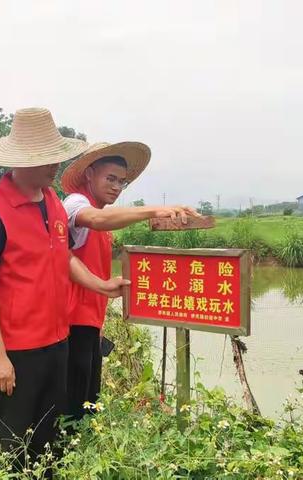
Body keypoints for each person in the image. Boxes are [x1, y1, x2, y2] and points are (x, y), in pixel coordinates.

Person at [0, 110, 129, 474]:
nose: (55, 164)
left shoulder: (52, 201)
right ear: (20, 160)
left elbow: (64, 257)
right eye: (45, 156)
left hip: (56, 341)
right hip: (15, 350)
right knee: (14, 447)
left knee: (50, 441)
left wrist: (100, 284)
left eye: (56, 154)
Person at [61, 141, 201, 419]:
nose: (116, 187)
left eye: (122, 182)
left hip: (89, 322)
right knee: (74, 407)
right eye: (110, 178)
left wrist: (99, 323)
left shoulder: (103, 215)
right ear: (89, 174)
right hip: (70, 323)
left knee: (88, 404)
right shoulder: (76, 203)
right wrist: (153, 211)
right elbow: (97, 219)